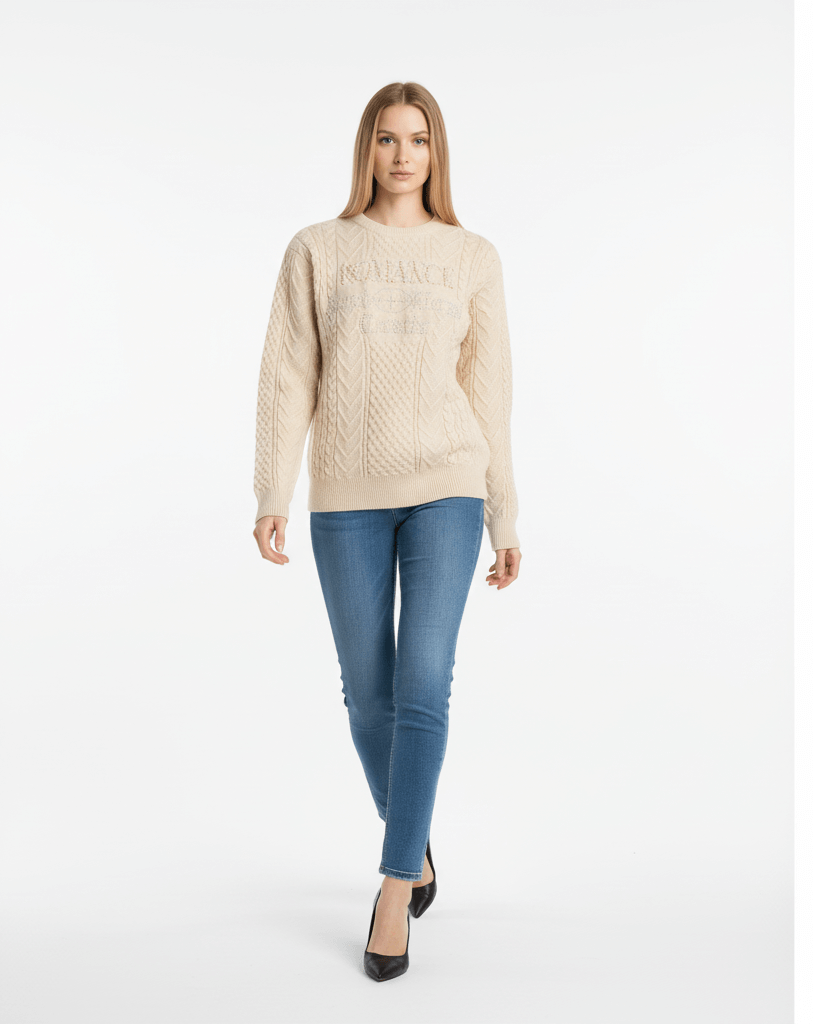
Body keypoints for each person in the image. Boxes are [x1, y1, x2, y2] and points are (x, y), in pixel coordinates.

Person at [251, 81, 522, 982]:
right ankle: (419, 841)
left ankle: (397, 884)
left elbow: (490, 393)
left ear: (437, 153)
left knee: (424, 684)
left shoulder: (471, 256)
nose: (403, 156)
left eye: (419, 139)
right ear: (365, 149)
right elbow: (288, 374)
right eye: (386, 139)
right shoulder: (317, 249)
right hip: (346, 496)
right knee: (367, 697)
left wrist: (504, 510)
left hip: (449, 488)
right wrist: (272, 490)